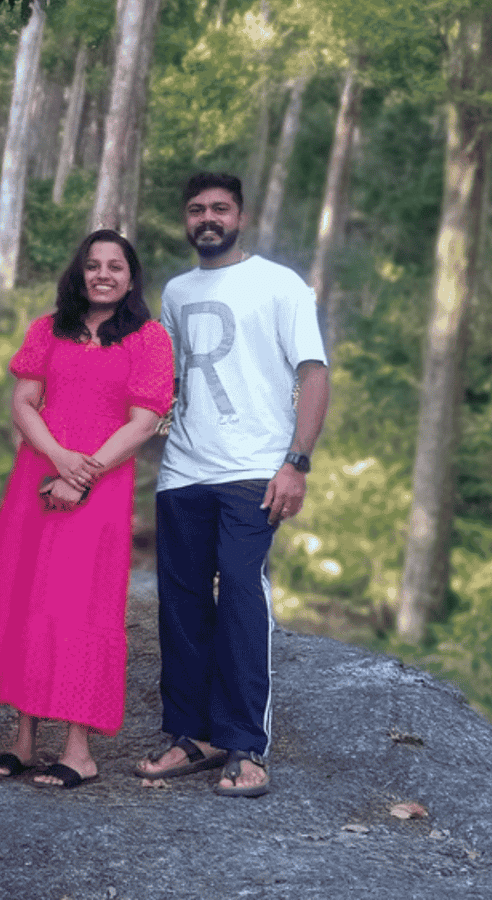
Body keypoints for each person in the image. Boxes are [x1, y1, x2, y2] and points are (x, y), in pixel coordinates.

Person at [0, 230, 172, 789]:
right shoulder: (48, 329)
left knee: (81, 606)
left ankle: (78, 750)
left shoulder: (149, 338)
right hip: (39, 475)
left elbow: (144, 421)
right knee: (27, 598)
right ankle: (23, 740)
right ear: (79, 272)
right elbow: (23, 402)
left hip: (103, 483)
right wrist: (59, 459)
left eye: (115, 266)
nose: (103, 275)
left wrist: (82, 472)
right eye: (93, 265)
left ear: (131, 278)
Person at [134, 171, 330, 798]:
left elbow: (314, 374)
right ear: (186, 220)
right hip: (183, 471)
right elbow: (166, 380)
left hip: (255, 470)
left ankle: (245, 742)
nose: (208, 218)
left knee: (243, 593)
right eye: (196, 209)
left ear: (240, 217)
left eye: (219, 208)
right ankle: (192, 734)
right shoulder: (176, 292)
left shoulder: (280, 284)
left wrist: (296, 462)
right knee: (182, 602)